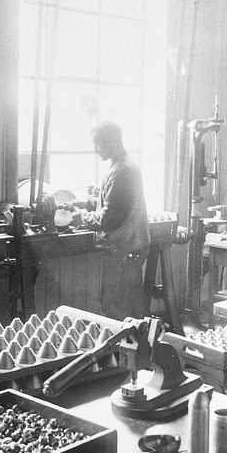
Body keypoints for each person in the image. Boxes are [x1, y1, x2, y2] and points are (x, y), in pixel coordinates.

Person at [72, 121, 150, 320]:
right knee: (129, 306)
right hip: (129, 246)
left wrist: (81, 217)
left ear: (111, 142)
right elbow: (110, 201)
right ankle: (138, 347)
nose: (95, 150)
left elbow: (108, 218)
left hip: (123, 248)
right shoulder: (123, 164)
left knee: (113, 306)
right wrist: (84, 203)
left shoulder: (120, 171)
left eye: (97, 144)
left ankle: (130, 349)